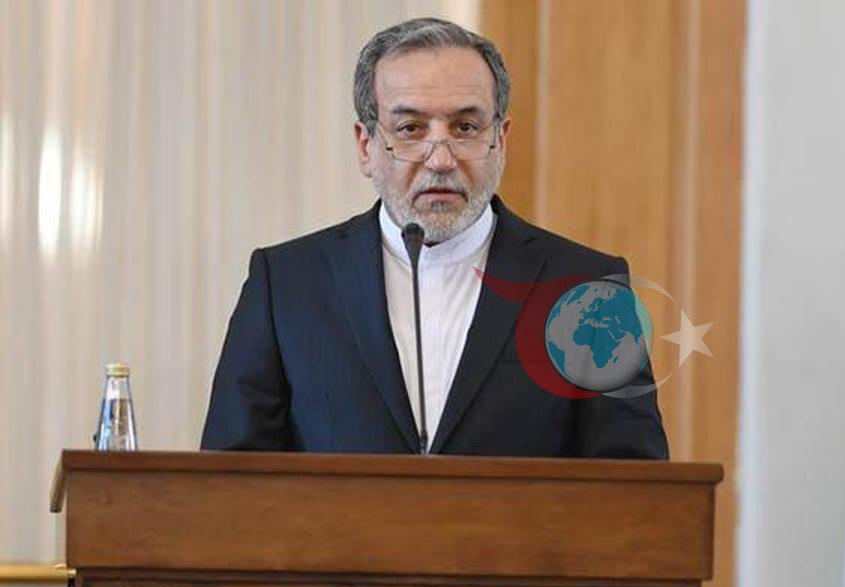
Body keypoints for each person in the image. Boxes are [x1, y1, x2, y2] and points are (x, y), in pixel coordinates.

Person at [201, 17, 667, 459]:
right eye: (410, 129)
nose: (441, 159)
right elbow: (231, 479)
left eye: (466, 128)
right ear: (366, 146)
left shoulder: (586, 287)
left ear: (501, 141)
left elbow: (633, 484)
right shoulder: (286, 284)